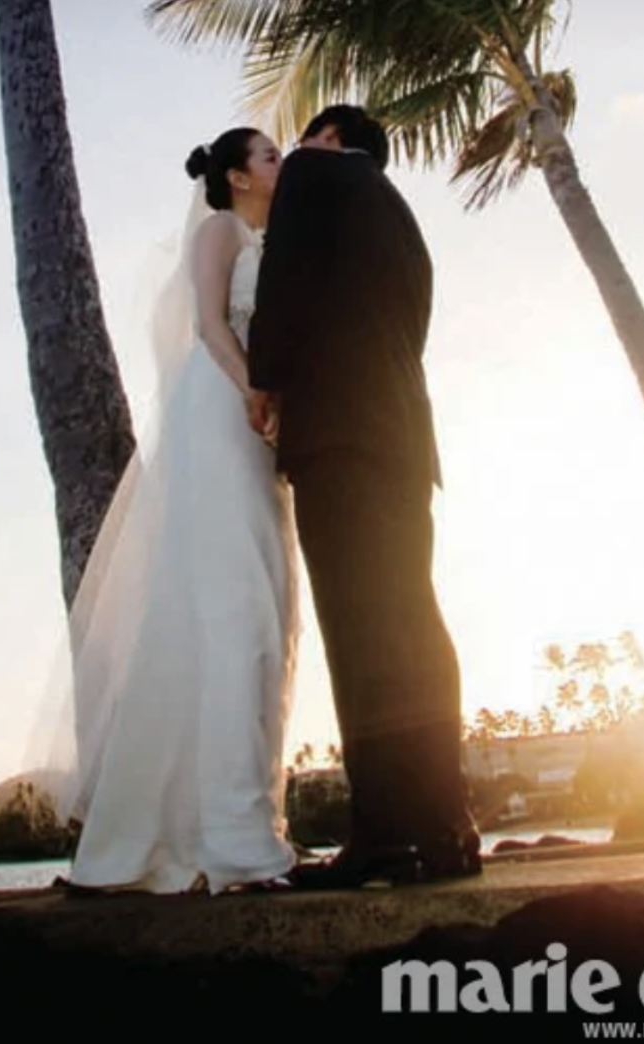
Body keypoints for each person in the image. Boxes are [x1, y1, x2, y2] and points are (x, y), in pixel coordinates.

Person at [34, 127, 300, 895]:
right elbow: (212, 325)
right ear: (238, 177)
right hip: (221, 411)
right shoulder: (220, 231)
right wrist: (254, 390)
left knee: (264, 608)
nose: (281, 165)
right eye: (271, 156)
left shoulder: (271, 239)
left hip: (256, 420)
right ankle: (232, 838)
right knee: (234, 606)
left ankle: (240, 822)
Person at [246, 105, 483, 888]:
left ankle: (383, 834)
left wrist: (265, 375)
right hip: (405, 439)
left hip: (340, 436)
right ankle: (447, 828)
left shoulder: (317, 175)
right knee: (414, 625)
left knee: (359, 634)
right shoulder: (402, 219)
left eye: (301, 142)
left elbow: (282, 280)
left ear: (328, 139)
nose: (293, 158)